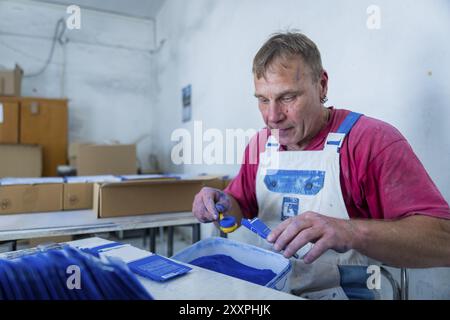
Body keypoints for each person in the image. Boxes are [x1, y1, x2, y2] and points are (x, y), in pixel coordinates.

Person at [192, 32, 450, 299]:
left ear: (322, 85)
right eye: (263, 99)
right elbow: (237, 211)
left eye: (288, 97)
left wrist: (351, 231)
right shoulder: (260, 144)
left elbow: (444, 242)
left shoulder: (371, 142)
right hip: (268, 291)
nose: (272, 117)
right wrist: (220, 203)